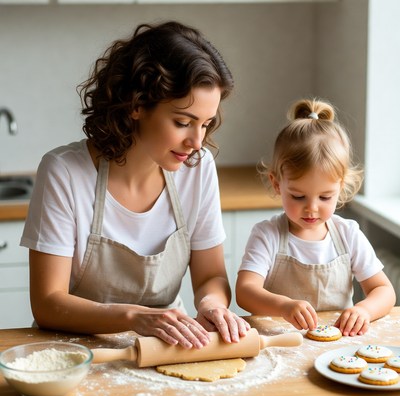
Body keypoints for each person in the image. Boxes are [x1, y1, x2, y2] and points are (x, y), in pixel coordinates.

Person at [21, 21, 250, 349]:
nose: (197, 142)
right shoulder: (65, 172)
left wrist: (212, 305)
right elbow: (48, 303)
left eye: (206, 124)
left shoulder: (198, 171)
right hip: (78, 351)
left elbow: (210, 276)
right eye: (183, 122)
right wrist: (136, 317)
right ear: (136, 104)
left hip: (169, 346)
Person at [235, 98, 396, 337]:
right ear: (277, 184)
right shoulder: (267, 234)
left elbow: (384, 290)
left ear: (340, 187)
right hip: (283, 344)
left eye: (325, 197)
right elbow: (245, 291)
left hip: (337, 346)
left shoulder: (348, 234)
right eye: (298, 196)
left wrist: (364, 310)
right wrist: (284, 306)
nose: (311, 208)